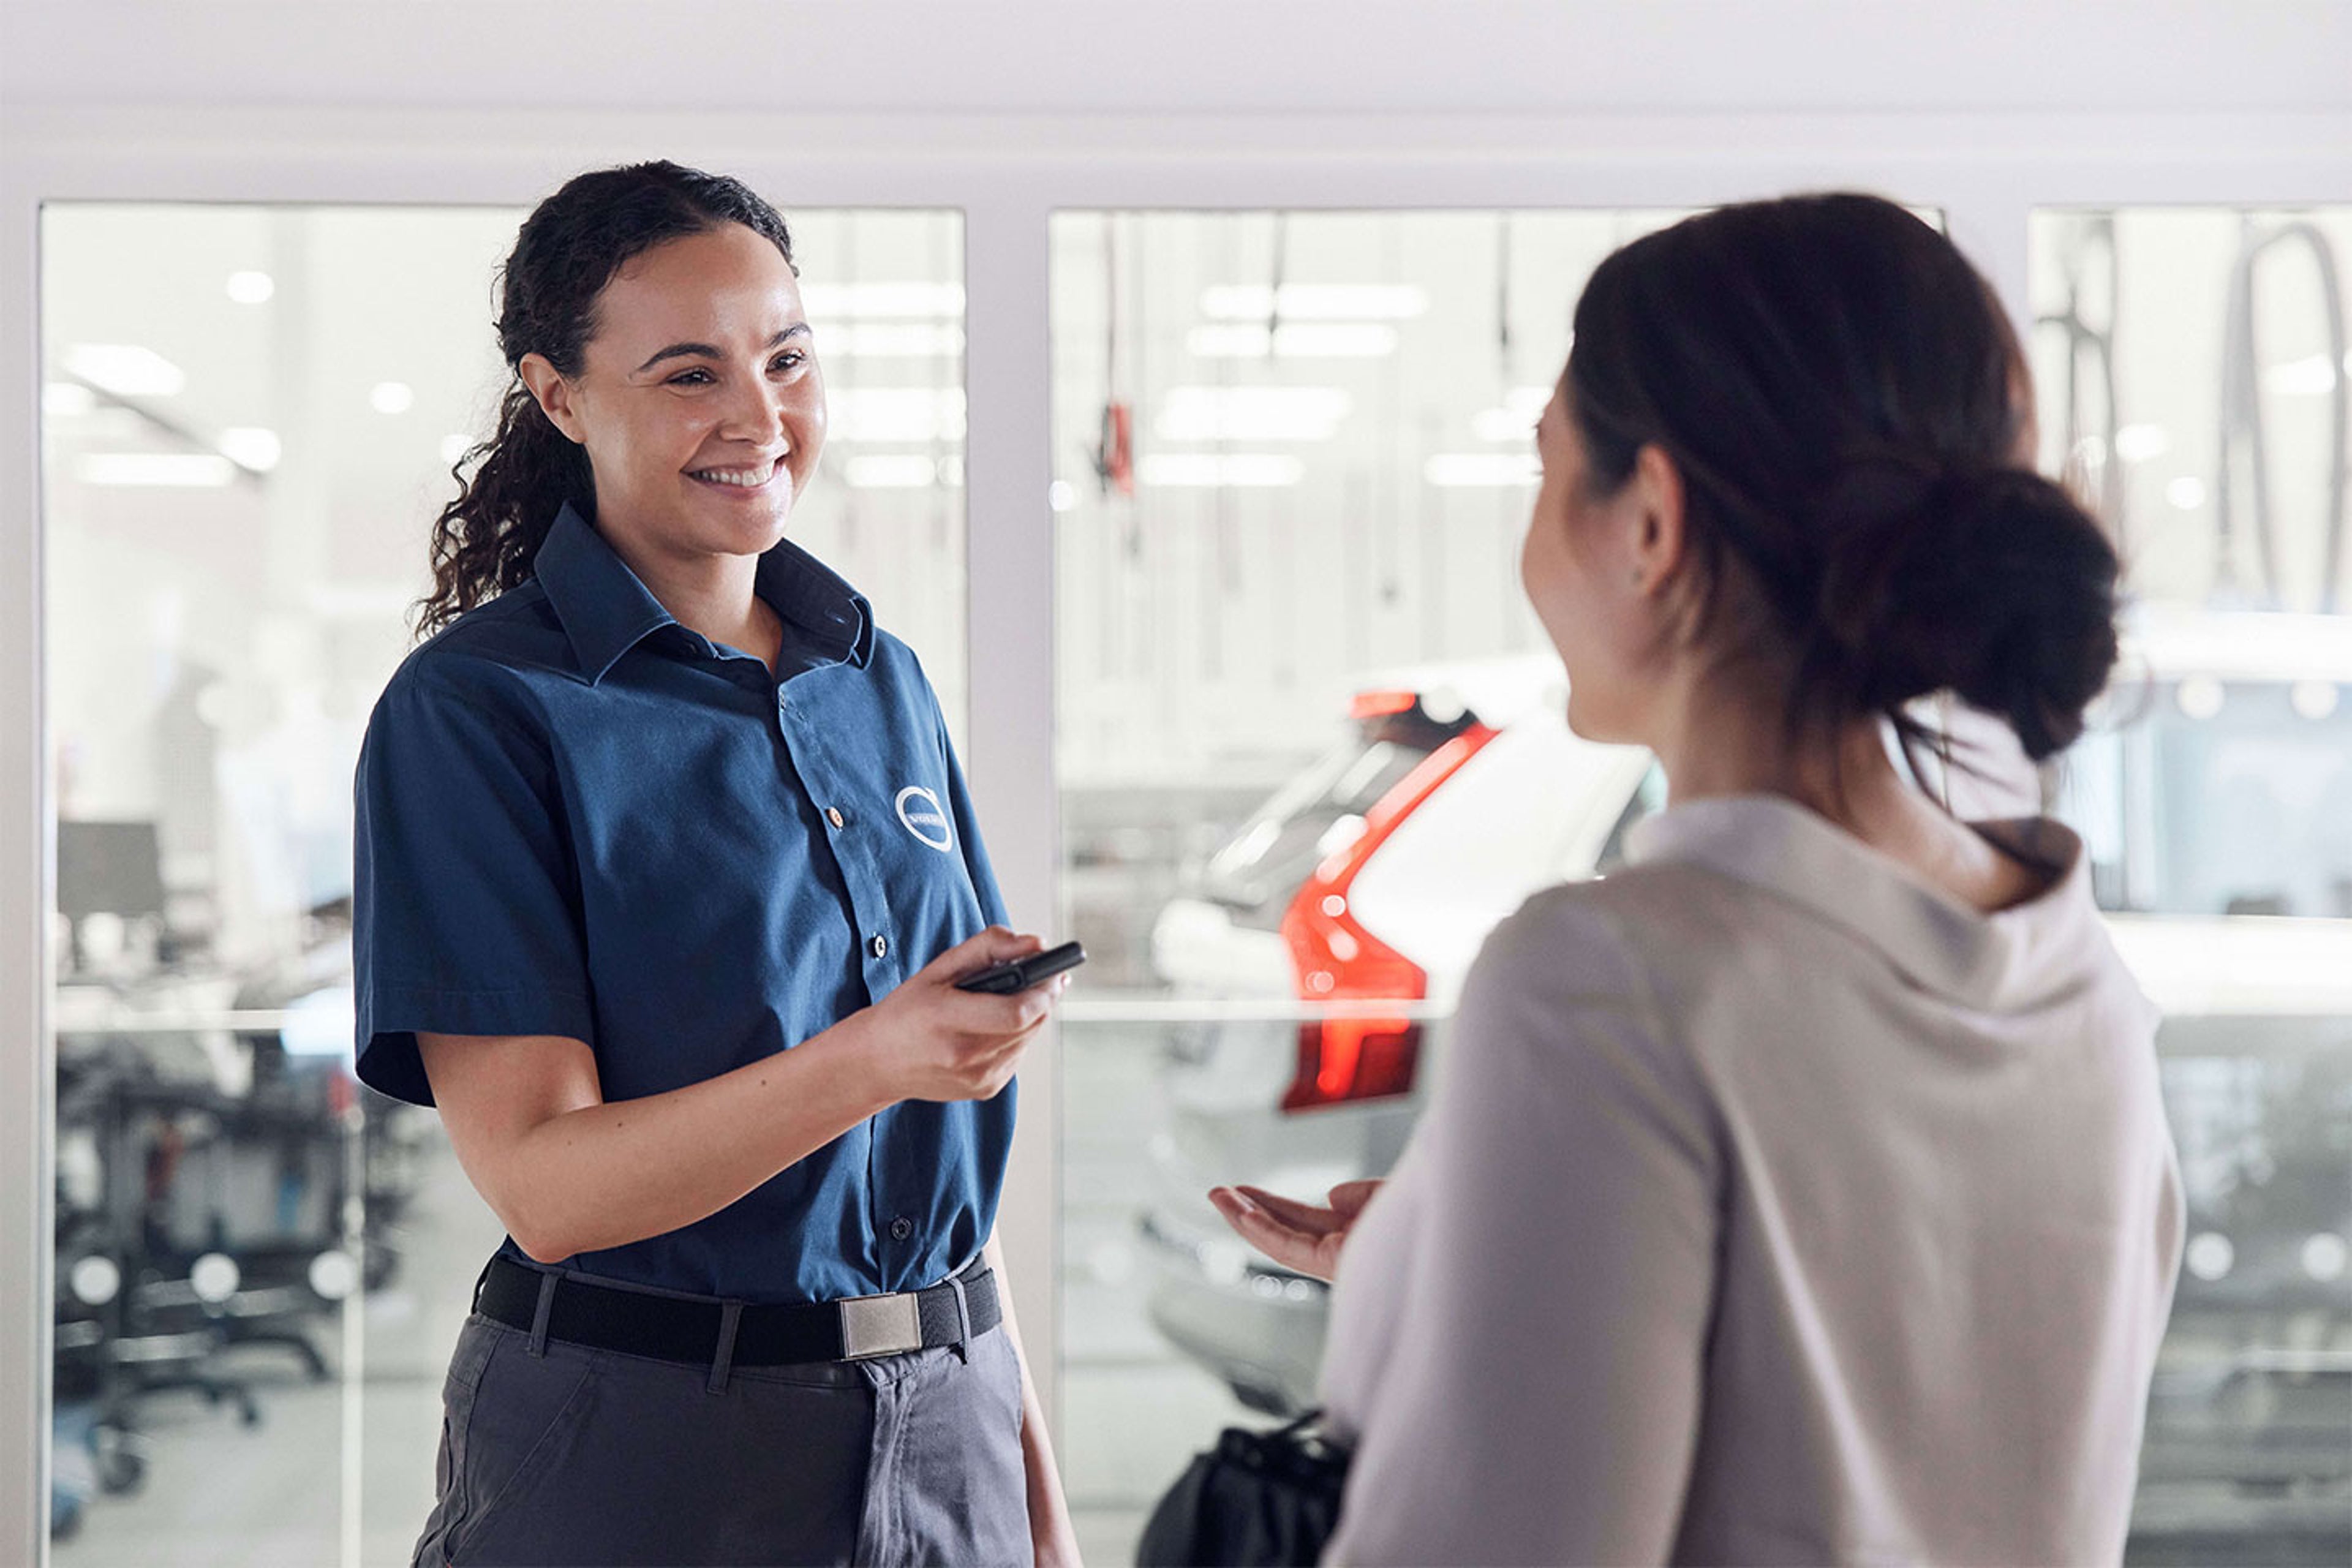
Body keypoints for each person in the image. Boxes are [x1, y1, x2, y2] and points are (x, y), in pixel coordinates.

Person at [1210, 194, 2184, 1566]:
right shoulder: (2087, 987)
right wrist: (1452, 1259)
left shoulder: (1609, 986)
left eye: (1549, 474)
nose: (1531, 544)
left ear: (1651, 521)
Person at [352, 162, 1079, 1568]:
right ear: (560, 396)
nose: (761, 418)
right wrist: (883, 1052)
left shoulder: (880, 678)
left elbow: (935, 1183)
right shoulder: (480, 712)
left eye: (788, 358)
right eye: (691, 373)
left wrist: (1034, 1494)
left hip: (952, 1424)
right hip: (649, 1442)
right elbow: (546, 1185)